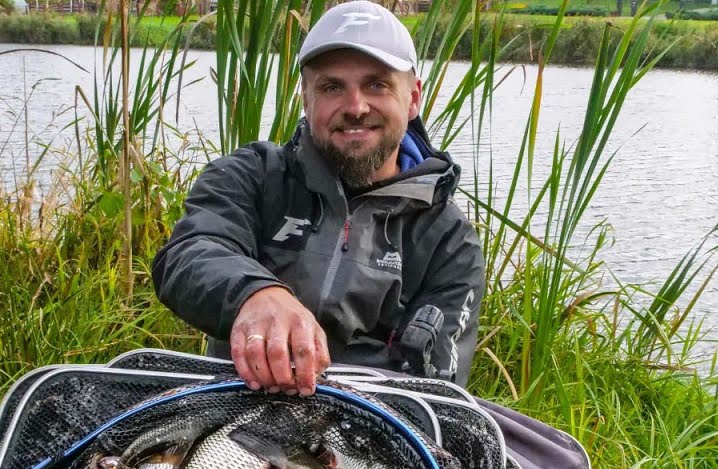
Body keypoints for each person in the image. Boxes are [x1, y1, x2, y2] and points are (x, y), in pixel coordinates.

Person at [152, 0, 484, 396]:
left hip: (362, 437)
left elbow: (437, 388)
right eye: (332, 87)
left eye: (377, 84)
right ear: (306, 98)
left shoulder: (449, 241)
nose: (356, 107)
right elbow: (189, 253)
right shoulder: (250, 175)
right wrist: (256, 294)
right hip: (230, 407)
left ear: (413, 97)